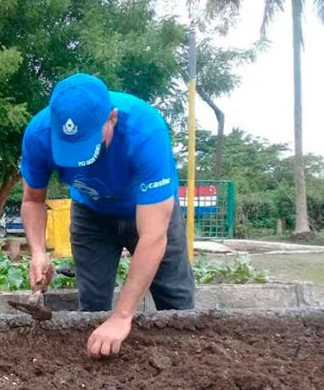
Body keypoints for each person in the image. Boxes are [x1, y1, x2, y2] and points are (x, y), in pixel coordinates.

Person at [20, 73, 195, 357]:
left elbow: (153, 235)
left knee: (176, 302)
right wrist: (38, 251)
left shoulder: (145, 131)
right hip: (92, 215)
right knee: (92, 306)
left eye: (87, 144)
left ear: (111, 118)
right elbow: (32, 200)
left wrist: (123, 316)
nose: (79, 161)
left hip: (150, 214)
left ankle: (185, 364)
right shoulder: (39, 135)